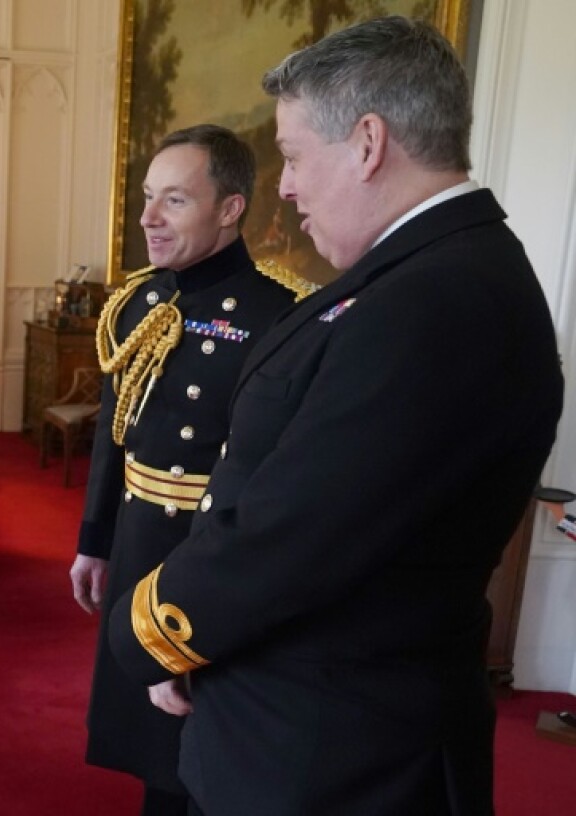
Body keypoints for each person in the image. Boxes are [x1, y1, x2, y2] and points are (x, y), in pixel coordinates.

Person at [106, 17, 564, 816]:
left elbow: (293, 533)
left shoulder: (430, 303)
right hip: (315, 730)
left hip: (332, 755)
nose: (284, 186)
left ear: (367, 143)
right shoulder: (431, 273)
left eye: (292, 154)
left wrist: (146, 634)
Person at [70, 124, 313, 815]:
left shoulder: (280, 314)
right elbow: (113, 437)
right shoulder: (138, 302)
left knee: (205, 742)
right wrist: (95, 539)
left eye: (172, 201)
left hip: (211, 552)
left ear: (230, 208)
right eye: (149, 198)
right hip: (141, 542)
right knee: (149, 736)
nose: (147, 218)